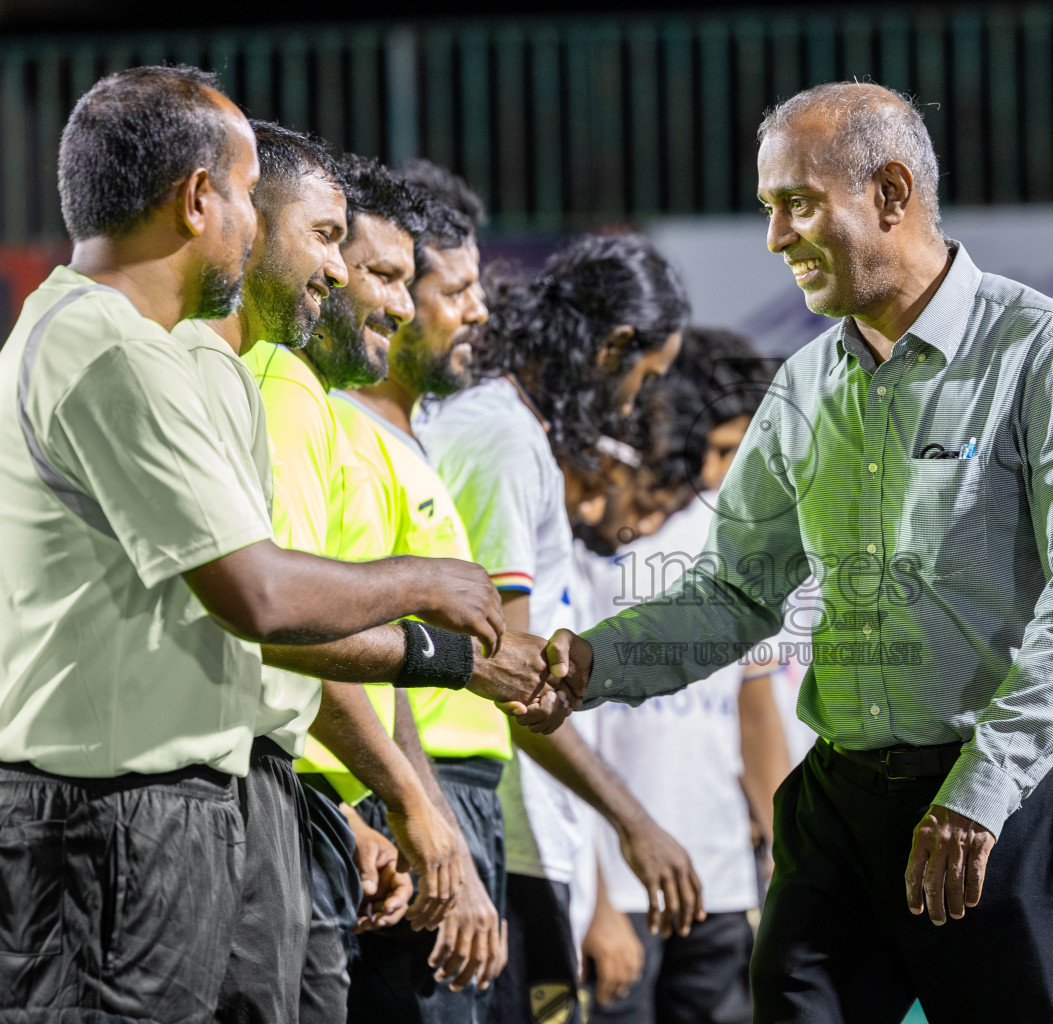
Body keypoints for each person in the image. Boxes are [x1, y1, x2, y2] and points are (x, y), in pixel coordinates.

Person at [546, 82, 1053, 1022]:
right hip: (841, 804)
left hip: (1003, 801)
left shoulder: (1044, 352)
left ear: (892, 194)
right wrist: (592, 663)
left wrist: (980, 792)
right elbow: (734, 593)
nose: (776, 238)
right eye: (768, 210)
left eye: (797, 204)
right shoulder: (803, 385)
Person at [0, 66, 523, 1024]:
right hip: (106, 814)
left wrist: (309, 807)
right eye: (251, 196)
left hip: (186, 800)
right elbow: (264, 600)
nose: (330, 262)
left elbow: (220, 630)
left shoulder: (178, 355)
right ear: (198, 199)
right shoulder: (111, 350)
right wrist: (426, 588)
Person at [419, 240, 701, 1024]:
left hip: (521, 834)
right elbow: (513, 678)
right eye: (642, 377)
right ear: (612, 347)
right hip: (496, 834)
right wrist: (635, 823)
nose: (628, 404)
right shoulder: (504, 438)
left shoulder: (512, 427)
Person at [339, 160, 525, 1023]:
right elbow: (340, 646)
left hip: (427, 798)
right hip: (396, 794)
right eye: (453, 289)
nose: (474, 311)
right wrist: (423, 813)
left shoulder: (408, 442)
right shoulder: (346, 433)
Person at [576, 332, 792, 1024]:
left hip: (720, 882)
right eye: (725, 450)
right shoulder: (604, 532)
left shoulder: (736, 540)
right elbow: (565, 730)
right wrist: (596, 898)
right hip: (622, 885)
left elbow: (755, 714)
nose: (734, 471)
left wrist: (787, 850)